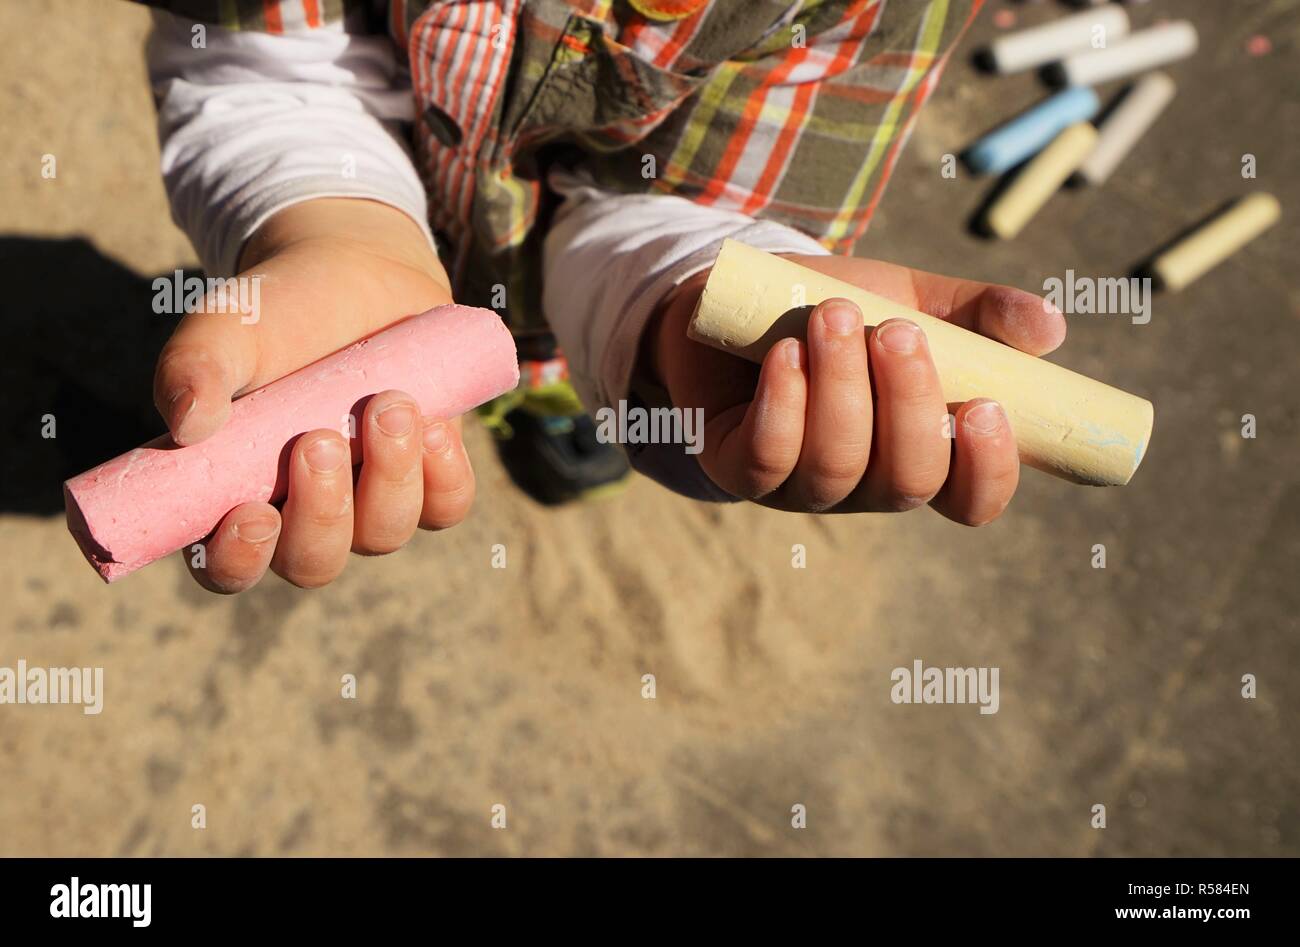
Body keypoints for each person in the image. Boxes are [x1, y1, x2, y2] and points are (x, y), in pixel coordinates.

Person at [135, 0, 1064, 593]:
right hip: (358, 222)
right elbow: (264, 58)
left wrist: (678, 312)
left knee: (580, 378)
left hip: (576, 304)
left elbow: (696, 205)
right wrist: (330, 228)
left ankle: (564, 397)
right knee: (379, 417)